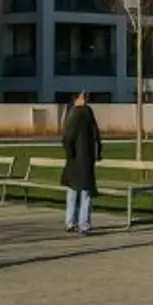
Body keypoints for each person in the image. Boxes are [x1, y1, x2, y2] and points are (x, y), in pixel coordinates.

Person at [60, 91, 102, 235]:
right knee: (84, 192)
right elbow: (95, 135)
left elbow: (67, 138)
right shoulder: (84, 113)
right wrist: (97, 153)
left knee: (74, 191)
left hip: (77, 160)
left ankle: (71, 222)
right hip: (84, 159)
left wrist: (70, 154)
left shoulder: (73, 114)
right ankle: (83, 224)